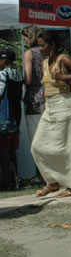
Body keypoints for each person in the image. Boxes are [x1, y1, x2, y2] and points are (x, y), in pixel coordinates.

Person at [30, 30, 71, 198]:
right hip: (50, 107)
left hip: (66, 104)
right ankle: (53, 181)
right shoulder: (44, 62)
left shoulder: (63, 59)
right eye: (39, 45)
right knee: (37, 146)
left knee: (70, 147)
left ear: (52, 45)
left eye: (42, 45)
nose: (40, 48)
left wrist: (64, 77)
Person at [18, 25, 43, 182]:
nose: (24, 41)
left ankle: (41, 174)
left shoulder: (30, 54)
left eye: (25, 37)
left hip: (34, 98)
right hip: (49, 96)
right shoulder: (46, 52)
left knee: (36, 140)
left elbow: (28, 78)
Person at [0, 49, 24, 191]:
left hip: (3, 116)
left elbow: (0, 94)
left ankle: (7, 181)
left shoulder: (3, 74)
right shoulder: (19, 73)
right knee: (12, 151)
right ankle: (16, 179)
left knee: (2, 151)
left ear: (4, 60)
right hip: (16, 116)